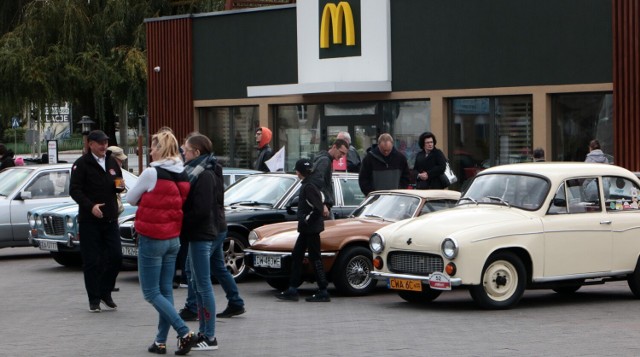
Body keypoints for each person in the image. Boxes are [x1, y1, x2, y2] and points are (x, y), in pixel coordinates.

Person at [126, 130, 198, 355]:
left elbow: (129, 198)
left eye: (154, 146)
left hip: (152, 237)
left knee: (150, 292)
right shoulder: (183, 173)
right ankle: (159, 341)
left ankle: (184, 331)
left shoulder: (151, 173)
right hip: (172, 238)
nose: (150, 150)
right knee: (165, 291)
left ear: (162, 149)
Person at [69, 130, 124, 313]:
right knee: (92, 261)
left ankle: (105, 291)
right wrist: (91, 206)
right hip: (89, 221)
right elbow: (74, 190)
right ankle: (94, 299)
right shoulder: (81, 164)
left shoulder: (111, 161)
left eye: (106, 142)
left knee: (116, 256)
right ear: (90, 144)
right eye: (100, 143)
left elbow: (118, 181)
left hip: (110, 219)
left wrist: (119, 186)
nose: (104, 146)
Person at [181, 133, 221, 351]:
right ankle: (205, 331)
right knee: (197, 283)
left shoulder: (204, 174)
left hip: (201, 234)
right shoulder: (196, 172)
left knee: (203, 285)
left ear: (196, 152)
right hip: (196, 234)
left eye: (186, 150)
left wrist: (181, 220)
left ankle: (210, 335)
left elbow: (203, 210)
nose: (183, 153)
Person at [276, 158, 330, 302]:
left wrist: (306, 220)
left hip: (310, 228)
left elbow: (317, 208)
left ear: (299, 172)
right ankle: (292, 289)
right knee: (297, 255)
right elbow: (321, 202)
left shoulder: (309, 186)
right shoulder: (311, 184)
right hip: (308, 229)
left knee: (315, 258)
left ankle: (323, 290)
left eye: (297, 170)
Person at [310, 138, 349, 218]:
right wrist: (323, 204)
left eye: (344, 154)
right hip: (323, 207)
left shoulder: (325, 160)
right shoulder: (325, 161)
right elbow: (317, 184)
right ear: (334, 147)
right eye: (341, 152)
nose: (341, 156)